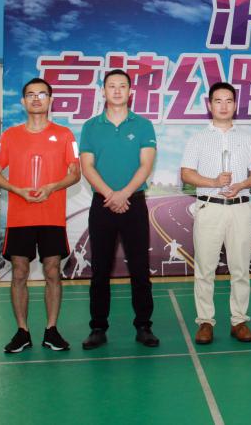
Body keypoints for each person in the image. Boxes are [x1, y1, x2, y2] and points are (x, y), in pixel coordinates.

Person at [0, 77, 81, 353]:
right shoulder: (9, 136)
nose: (36, 98)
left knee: (53, 271)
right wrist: (16, 189)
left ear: (50, 100)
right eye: (31, 94)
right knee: (19, 273)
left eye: (42, 94)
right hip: (20, 218)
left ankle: (51, 330)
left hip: (52, 217)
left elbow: (75, 173)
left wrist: (52, 187)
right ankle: (22, 332)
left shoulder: (65, 135)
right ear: (23, 101)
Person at [79, 69, 159, 349]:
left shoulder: (143, 125)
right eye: (111, 86)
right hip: (102, 204)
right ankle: (98, 327)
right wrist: (110, 194)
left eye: (122, 86)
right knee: (100, 269)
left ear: (130, 92)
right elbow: (87, 166)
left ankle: (144, 325)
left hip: (133, 203)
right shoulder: (91, 126)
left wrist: (123, 194)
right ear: (103, 91)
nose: (116, 90)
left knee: (140, 268)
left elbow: (146, 165)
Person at [181, 81, 251, 344]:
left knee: (240, 268)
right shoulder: (197, 138)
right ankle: (205, 322)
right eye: (218, 101)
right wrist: (214, 182)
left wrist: (241, 184)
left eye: (229, 101)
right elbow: (186, 174)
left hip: (240, 208)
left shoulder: (246, 138)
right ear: (210, 105)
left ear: (235, 104)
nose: (224, 106)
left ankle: (239, 321)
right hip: (210, 208)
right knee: (205, 269)